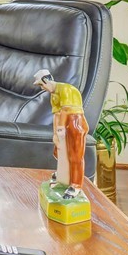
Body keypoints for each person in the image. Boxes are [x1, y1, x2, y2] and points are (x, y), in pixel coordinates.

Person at [33, 69, 88, 200]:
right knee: (59, 152)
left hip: (75, 122)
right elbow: (56, 115)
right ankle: (64, 176)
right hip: (64, 123)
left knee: (75, 155)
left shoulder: (65, 89)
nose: (42, 88)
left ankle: (75, 184)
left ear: (46, 80)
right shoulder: (53, 94)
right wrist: (55, 134)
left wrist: (61, 129)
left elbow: (65, 110)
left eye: (41, 85)